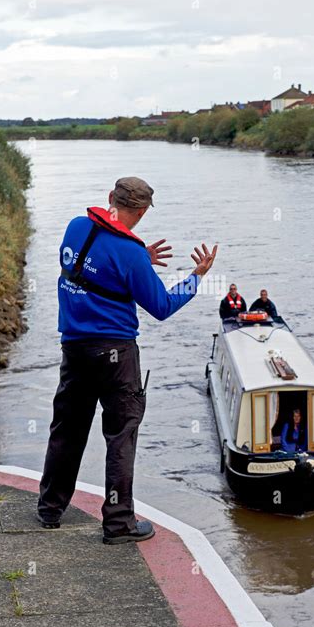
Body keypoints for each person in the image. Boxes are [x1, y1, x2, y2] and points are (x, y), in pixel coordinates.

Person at [37, 176, 217, 545]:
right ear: (142, 211)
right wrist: (196, 277)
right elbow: (162, 307)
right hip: (115, 355)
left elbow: (84, 269)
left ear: (109, 198)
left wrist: (137, 264)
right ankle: (119, 523)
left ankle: (50, 509)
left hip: (73, 348)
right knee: (120, 435)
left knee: (67, 430)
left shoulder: (77, 226)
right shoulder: (130, 252)